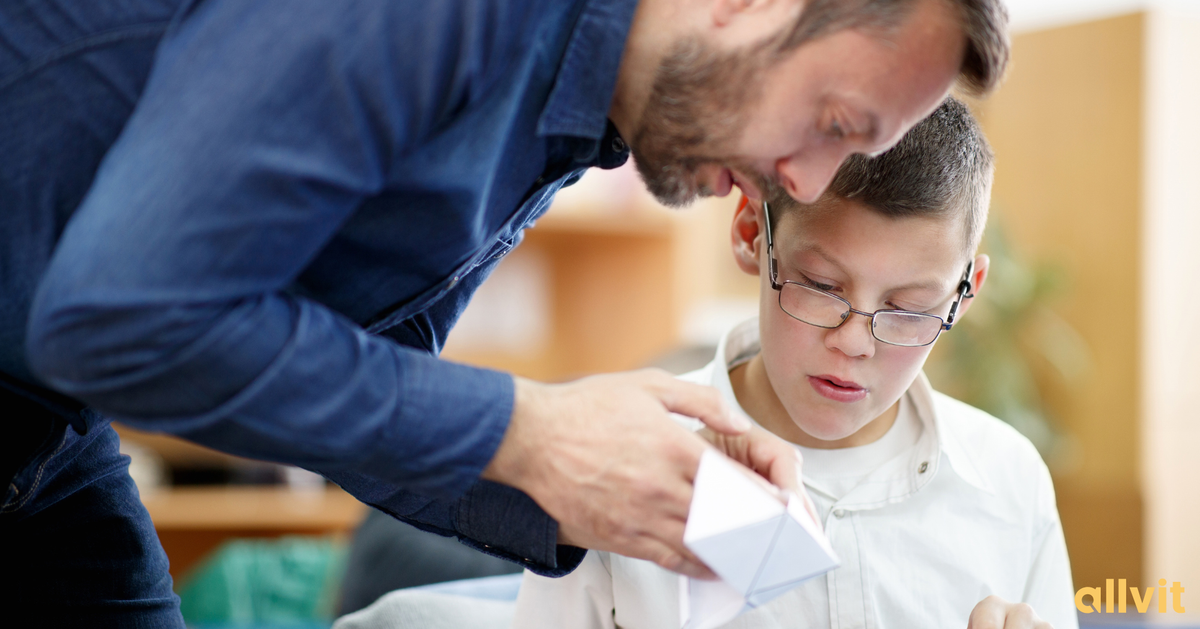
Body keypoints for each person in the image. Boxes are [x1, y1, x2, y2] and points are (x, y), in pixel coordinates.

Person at [0, 0, 1008, 624]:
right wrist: (530, 432)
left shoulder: (568, 112)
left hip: (42, 428)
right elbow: (118, 316)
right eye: (834, 123)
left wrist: (581, 476)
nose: (805, 175)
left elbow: (352, 374)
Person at [514, 98, 1077, 629]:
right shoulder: (623, 462)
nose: (855, 342)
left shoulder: (1009, 480)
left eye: (910, 308)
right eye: (821, 286)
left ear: (965, 293)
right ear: (751, 236)